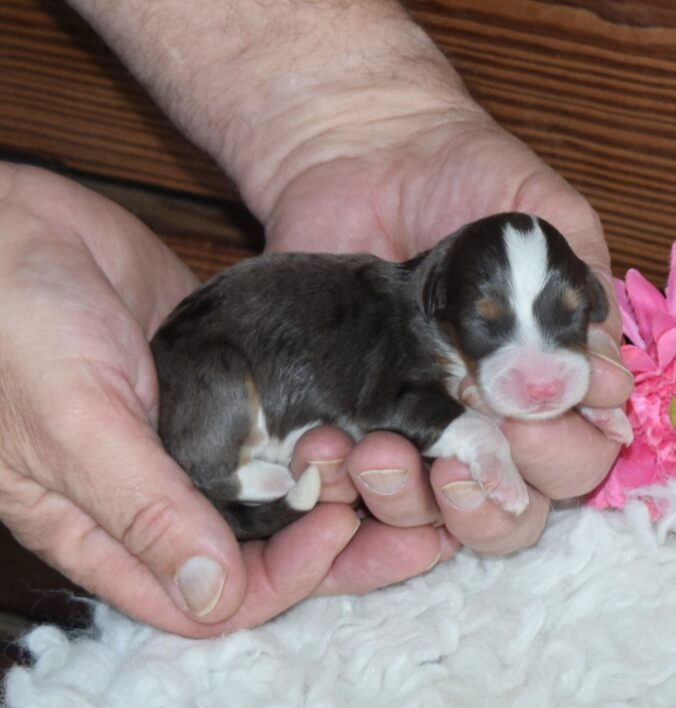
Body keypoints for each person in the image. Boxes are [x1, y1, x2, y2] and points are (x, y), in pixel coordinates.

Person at [0, 0, 633, 638]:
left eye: (570, 323)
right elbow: (400, 406)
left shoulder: (433, 322)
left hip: (280, 396)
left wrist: (355, 121)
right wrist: (476, 437)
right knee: (235, 392)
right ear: (436, 301)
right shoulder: (404, 324)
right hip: (211, 379)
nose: (542, 370)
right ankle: (226, 473)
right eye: (489, 324)